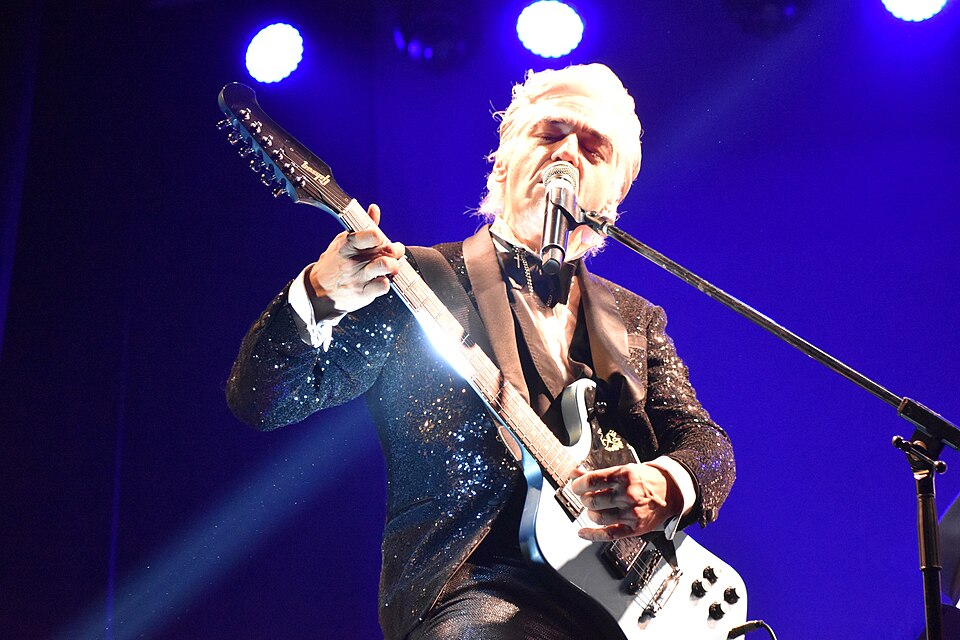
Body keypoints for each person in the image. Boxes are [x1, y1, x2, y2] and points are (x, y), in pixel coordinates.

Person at [227, 63, 735, 640]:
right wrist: (320, 293)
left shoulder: (635, 317)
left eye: (594, 149)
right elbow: (264, 399)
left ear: (614, 197)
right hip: (479, 590)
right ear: (501, 163)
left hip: (632, 605)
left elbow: (705, 441)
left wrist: (669, 483)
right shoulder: (412, 280)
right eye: (550, 133)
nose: (567, 154)